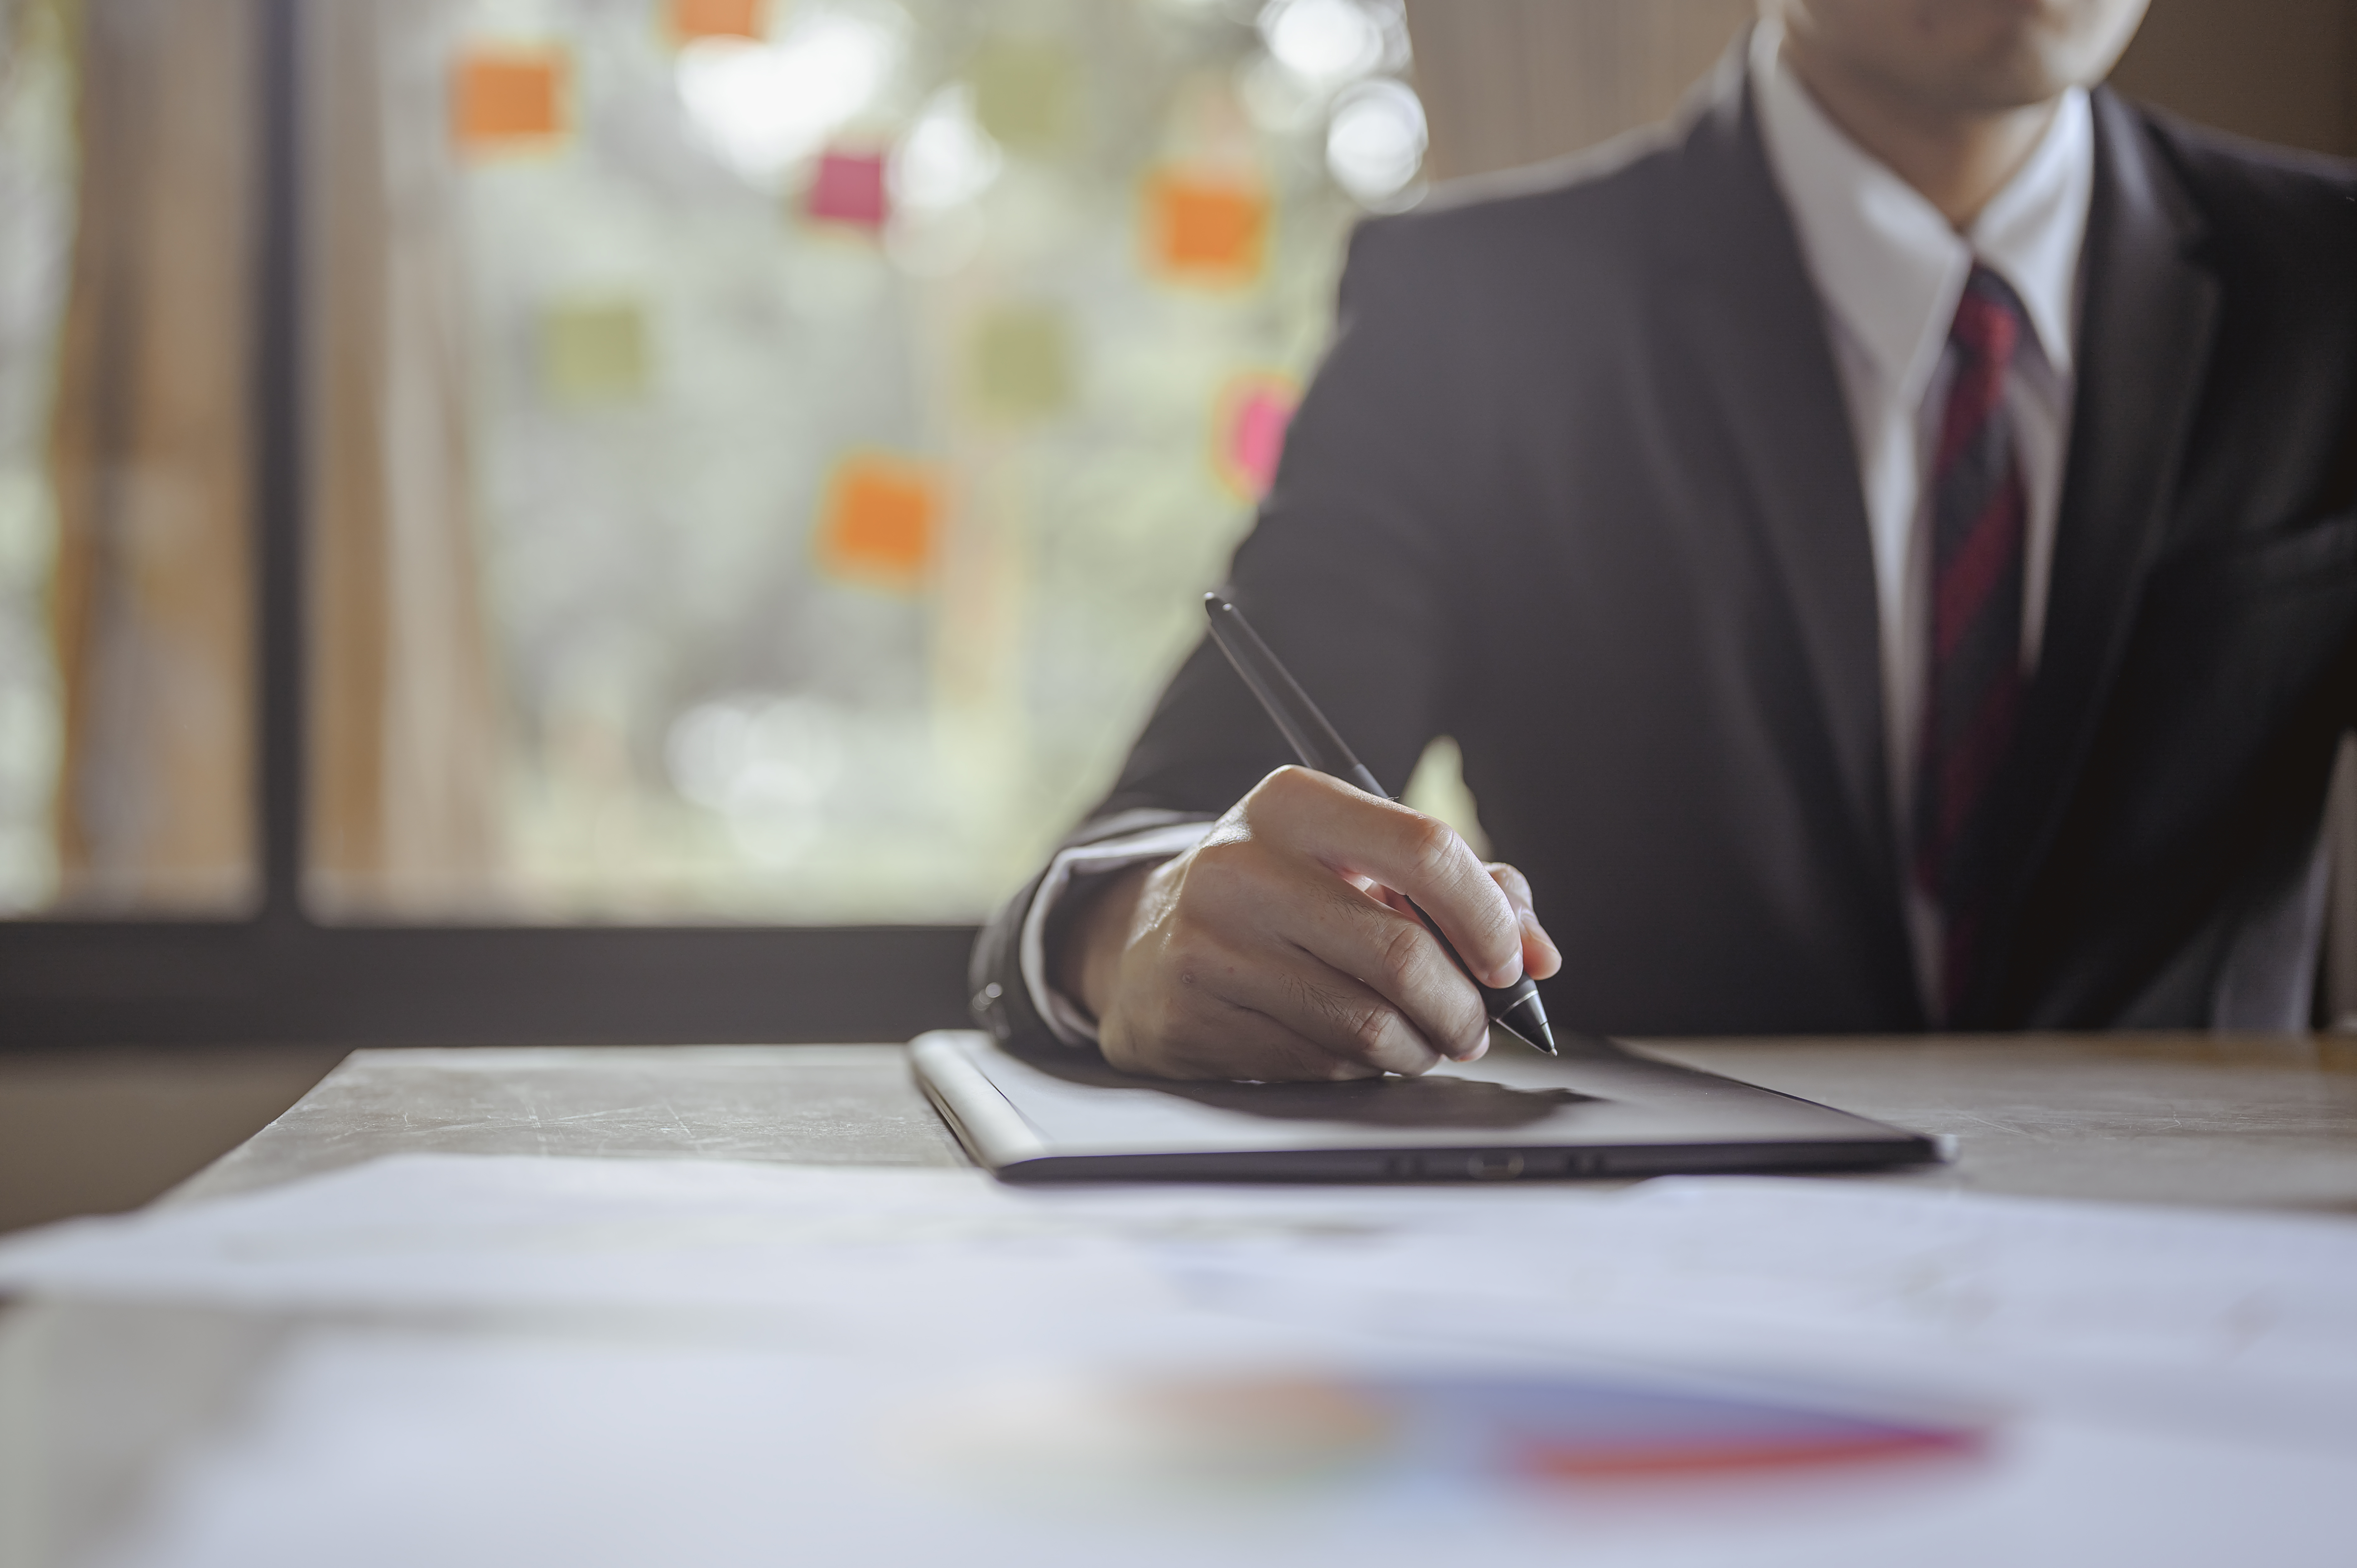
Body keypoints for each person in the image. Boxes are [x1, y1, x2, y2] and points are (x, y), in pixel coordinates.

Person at [969, 0, 2357, 1081]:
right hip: (1654, 1248)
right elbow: (1175, 819)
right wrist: (1140, 930)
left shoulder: (2327, 287)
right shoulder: (1476, 310)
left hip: (2229, 1257)